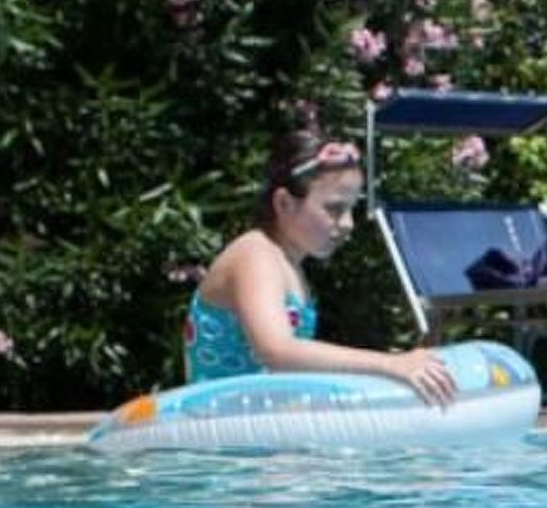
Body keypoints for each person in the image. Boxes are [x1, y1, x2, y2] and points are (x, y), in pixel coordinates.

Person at [184, 131, 456, 404]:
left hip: (250, 419)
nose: (348, 223)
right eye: (335, 209)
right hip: (214, 422)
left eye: (352, 209)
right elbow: (277, 351)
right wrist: (391, 364)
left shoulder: (288, 266)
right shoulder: (256, 255)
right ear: (284, 203)